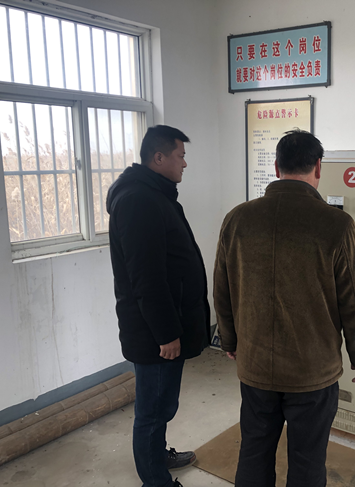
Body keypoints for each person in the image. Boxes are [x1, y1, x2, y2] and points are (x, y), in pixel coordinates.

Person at [213, 129, 355, 487]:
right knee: (307, 460)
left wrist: (230, 340)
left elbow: (222, 289)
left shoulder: (237, 219)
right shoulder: (336, 224)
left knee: (254, 451)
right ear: (318, 167)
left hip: (255, 366)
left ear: (276, 167)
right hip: (312, 372)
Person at [106, 125, 210, 487]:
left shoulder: (154, 195)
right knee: (152, 411)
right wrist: (166, 334)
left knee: (163, 405)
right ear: (159, 157)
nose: (185, 163)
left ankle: (157, 455)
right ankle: (155, 480)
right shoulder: (139, 201)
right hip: (155, 334)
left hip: (163, 327)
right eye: (181, 155)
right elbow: (146, 278)